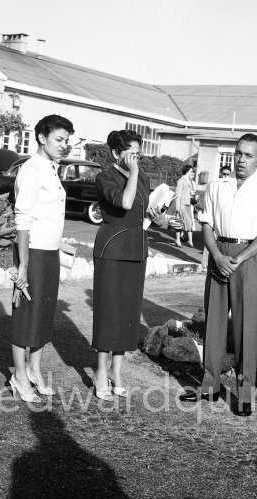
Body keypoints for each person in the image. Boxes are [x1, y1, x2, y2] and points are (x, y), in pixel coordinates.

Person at [180, 133, 257, 417]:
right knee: (213, 320)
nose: (241, 159)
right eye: (238, 153)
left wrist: (239, 258)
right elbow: (207, 224)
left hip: (248, 256)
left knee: (246, 325)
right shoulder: (217, 185)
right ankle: (209, 384)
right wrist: (217, 255)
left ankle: (245, 392)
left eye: (248, 155)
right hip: (219, 253)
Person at [91, 130, 161, 401]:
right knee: (109, 311)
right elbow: (125, 202)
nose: (136, 160)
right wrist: (132, 173)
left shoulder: (141, 177)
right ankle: (100, 371)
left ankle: (116, 371)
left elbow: (140, 211)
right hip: (112, 247)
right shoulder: (105, 177)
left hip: (136, 246)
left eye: (138, 154)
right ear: (116, 153)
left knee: (128, 312)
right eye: (131, 154)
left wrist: (158, 217)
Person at [9, 114, 75, 403]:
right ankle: (19, 376)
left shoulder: (49, 168)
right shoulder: (32, 169)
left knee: (44, 314)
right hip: (32, 254)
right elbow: (22, 220)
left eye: (67, 141)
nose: (64, 145)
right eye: (59, 139)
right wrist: (22, 265)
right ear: (41, 138)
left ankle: (34, 370)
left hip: (48, 253)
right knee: (26, 315)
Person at [173, 164, 198, 247]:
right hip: (181, 205)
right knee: (179, 223)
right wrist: (177, 207)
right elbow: (178, 195)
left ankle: (188, 241)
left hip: (187, 204)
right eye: (191, 171)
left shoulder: (188, 181)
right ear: (187, 171)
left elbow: (186, 192)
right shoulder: (181, 181)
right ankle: (178, 240)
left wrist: (191, 193)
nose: (192, 173)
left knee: (188, 223)